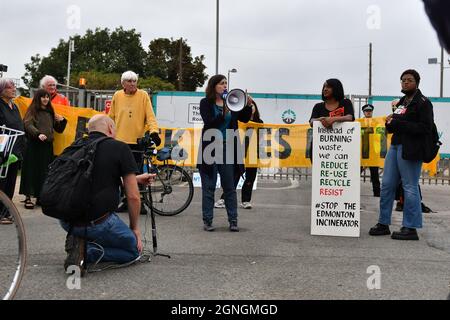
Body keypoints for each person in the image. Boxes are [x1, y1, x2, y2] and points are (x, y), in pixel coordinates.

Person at [60, 114, 155, 272]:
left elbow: (97, 180)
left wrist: (136, 179)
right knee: (133, 251)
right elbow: (133, 197)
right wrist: (135, 229)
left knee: (99, 227)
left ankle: (79, 240)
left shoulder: (75, 146)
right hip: (97, 223)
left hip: (67, 220)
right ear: (110, 128)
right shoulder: (120, 148)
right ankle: (86, 251)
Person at [369, 69, 434, 240]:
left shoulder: (423, 103)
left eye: (409, 80)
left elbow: (425, 128)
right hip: (396, 146)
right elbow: (394, 127)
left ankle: (410, 228)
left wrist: (399, 124)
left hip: (411, 149)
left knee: (410, 187)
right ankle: (383, 223)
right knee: (387, 185)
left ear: (417, 82)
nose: (405, 83)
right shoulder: (402, 103)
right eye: (403, 80)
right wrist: (390, 123)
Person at [197, 74, 253, 232]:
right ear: (214, 86)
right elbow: (209, 123)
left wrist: (247, 105)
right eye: (222, 84)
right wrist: (223, 113)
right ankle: (207, 220)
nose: (225, 86)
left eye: (226, 83)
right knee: (209, 186)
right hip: (210, 146)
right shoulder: (206, 103)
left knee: (229, 186)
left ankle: (233, 220)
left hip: (228, 147)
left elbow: (244, 119)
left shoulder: (232, 102)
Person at [109, 71, 160, 212]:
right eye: (129, 81)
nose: (132, 84)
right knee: (122, 173)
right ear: (123, 83)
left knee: (136, 173)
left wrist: (154, 131)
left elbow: (150, 116)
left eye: (134, 81)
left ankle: (140, 201)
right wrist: (106, 132)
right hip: (119, 140)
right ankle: (126, 200)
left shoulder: (143, 95)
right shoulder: (117, 95)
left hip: (137, 141)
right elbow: (111, 116)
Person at [19, 89, 67, 209]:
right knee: (31, 170)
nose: (45, 99)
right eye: (43, 97)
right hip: (34, 145)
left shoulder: (50, 111)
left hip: (47, 146)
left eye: (47, 97)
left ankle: (40, 197)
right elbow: (28, 124)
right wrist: (38, 134)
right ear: (38, 98)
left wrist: (62, 120)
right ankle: (28, 197)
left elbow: (58, 130)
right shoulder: (32, 110)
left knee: (44, 172)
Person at [214, 100, 263, 209]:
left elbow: (260, 137)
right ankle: (224, 198)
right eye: (249, 106)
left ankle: (246, 200)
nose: (252, 108)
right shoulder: (240, 119)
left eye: (252, 106)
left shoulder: (259, 121)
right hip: (238, 150)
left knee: (250, 177)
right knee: (234, 175)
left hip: (252, 152)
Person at [308, 79, 355, 162]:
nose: (325, 89)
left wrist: (333, 119)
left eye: (329, 87)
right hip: (320, 149)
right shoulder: (318, 106)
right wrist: (321, 119)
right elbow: (311, 122)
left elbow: (350, 117)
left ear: (336, 88)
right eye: (324, 87)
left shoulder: (346, 103)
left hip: (342, 149)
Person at [0, 78, 26, 224]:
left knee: (10, 181)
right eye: (10, 87)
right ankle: (1, 212)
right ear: (2, 90)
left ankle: (6, 210)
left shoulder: (14, 106)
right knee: (1, 181)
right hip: (3, 148)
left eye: (14, 87)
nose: (14, 89)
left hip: (15, 149)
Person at [360, 104, 380, 197]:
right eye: (366, 111)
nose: (368, 112)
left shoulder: (376, 122)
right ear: (363, 112)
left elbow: (380, 134)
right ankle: (352, 191)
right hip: (361, 152)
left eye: (370, 111)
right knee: (356, 174)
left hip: (373, 152)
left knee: (375, 175)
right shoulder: (359, 123)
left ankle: (377, 193)